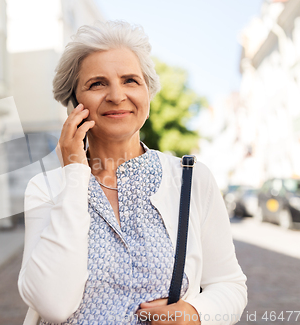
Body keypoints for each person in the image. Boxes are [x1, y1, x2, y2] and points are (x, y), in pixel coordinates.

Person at [18, 20, 247, 325]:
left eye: (130, 80)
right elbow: (53, 305)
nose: (116, 95)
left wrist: (193, 315)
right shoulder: (45, 188)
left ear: (147, 95)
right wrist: (74, 175)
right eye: (97, 83)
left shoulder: (191, 180)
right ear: (75, 103)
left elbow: (228, 284)